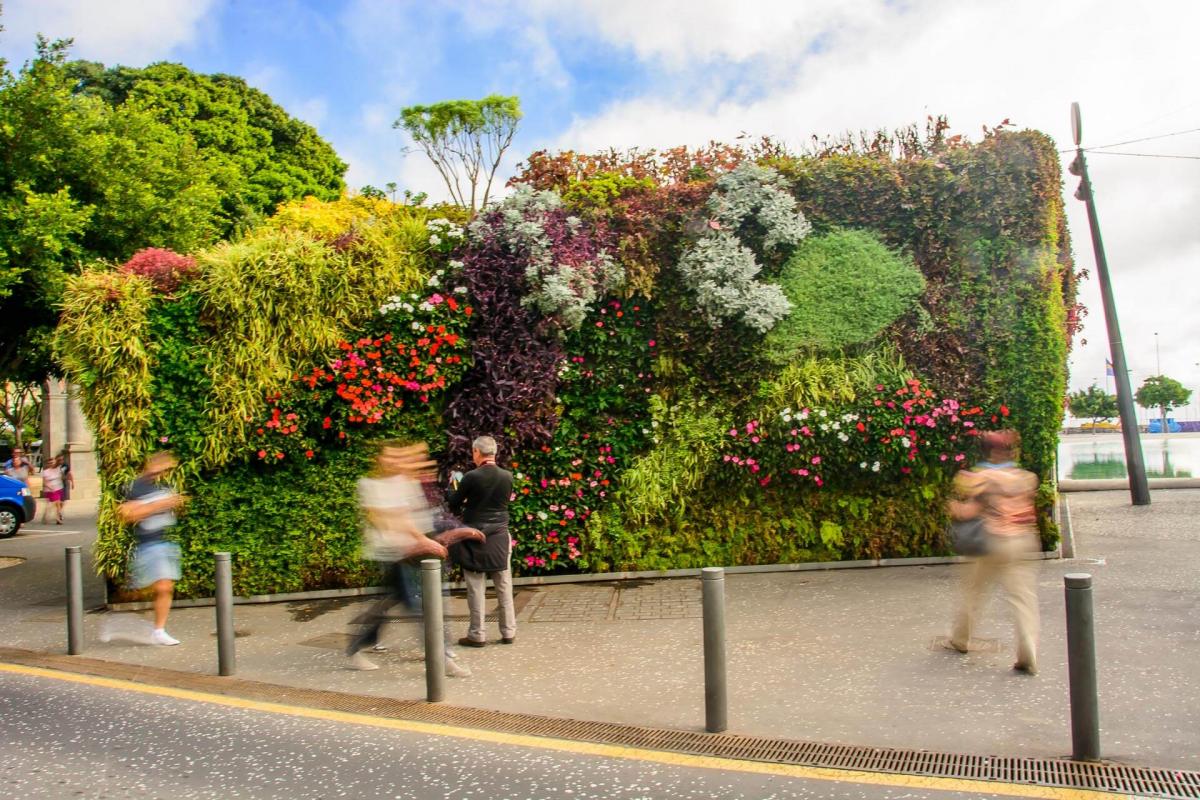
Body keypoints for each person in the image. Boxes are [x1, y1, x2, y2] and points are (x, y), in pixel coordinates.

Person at [347, 442, 475, 677]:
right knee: (418, 605)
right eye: (389, 458)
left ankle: (357, 647)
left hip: (410, 552)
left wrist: (424, 539)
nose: (395, 462)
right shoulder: (371, 486)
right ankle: (441, 656)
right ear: (379, 461)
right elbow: (389, 518)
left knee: (392, 604)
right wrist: (424, 540)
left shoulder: (402, 483)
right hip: (393, 554)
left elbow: (413, 515)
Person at [945, 429, 1041, 675]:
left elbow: (970, 512)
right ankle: (1027, 650)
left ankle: (960, 639)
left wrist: (954, 508)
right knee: (1022, 599)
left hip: (993, 541)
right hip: (1022, 541)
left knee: (974, 592)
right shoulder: (1025, 478)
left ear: (989, 451)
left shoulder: (982, 478)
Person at [446, 435, 516, 648]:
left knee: (475, 588)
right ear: (495, 453)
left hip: (474, 536)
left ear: (477, 452)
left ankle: (477, 634)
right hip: (500, 536)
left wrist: (453, 485)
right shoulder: (508, 476)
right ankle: (508, 632)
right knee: (503, 584)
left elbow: (453, 504)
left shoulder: (470, 477)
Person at [115, 452, 186, 646]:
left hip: (165, 542)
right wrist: (160, 504)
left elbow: (174, 507)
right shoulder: (136, 487)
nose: (163, 469)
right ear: (150, 464)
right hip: (147, 543)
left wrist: (175, 503)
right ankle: (137, 597)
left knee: (165, 587)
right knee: (161, 587)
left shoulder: (165, 486)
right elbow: (127, 515)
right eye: (161, 464)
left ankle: (159, 630)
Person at [40, 454, 73, 524]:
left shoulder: (58, 469)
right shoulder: (45, 472)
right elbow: (44, 482)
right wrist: (50, 487)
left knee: (57, 504)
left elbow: (65, 475)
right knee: (52, 504)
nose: (51, 464)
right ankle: (50, 517)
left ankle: (55, 518)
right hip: (50, 490)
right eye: (49, 463)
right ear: (47, 464)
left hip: (59, 488)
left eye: (52, 462)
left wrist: (70, 481)